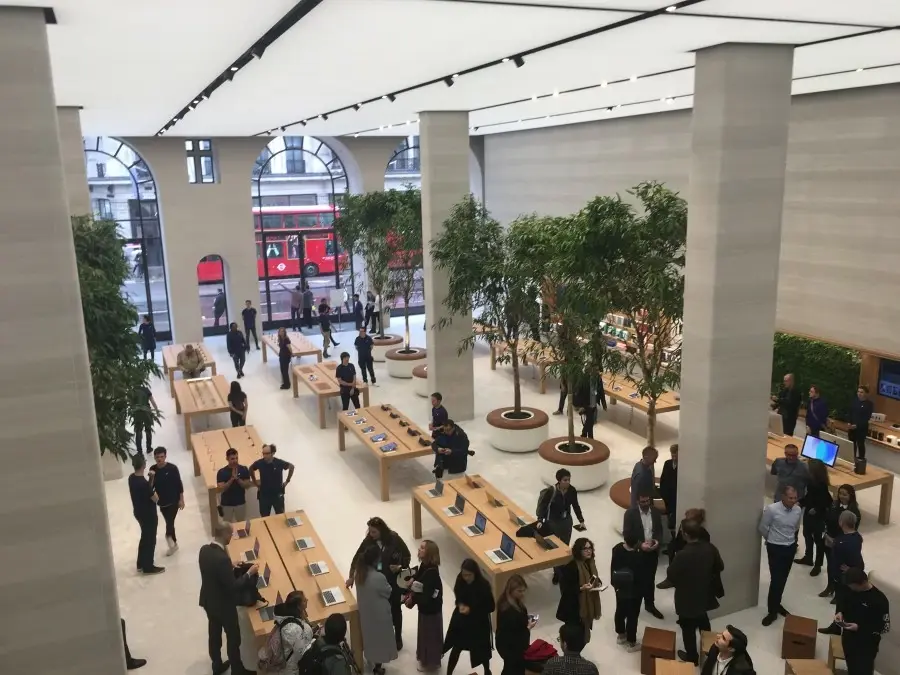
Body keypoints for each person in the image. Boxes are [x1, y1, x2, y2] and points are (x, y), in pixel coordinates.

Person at [199, 521, 259, 675]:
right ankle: (237, 670)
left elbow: (212, 572)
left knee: (214, 635)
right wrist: (249, 573)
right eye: (230, 534)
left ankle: (216, 665)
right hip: (224, 606)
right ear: (225, 534)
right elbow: (233, 586)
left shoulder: (204, 550)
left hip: (208, 601)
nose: (231, 537)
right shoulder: (221, 559)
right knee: (233, 638)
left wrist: (229, 566)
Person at [346, 517, 412, 650]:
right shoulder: (368, 540)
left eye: (374, 532)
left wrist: (400, 566)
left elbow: (407, 556)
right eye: (370, 531)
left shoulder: (394, 538)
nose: (371, 534)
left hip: (392, 580)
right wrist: (351, 577)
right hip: (376, 582)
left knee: (395, 610)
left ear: (381, 530)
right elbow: (357, 558)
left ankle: (397, 637)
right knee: (380, 612)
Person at [665, 520, 724, 664]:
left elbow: (671, 574)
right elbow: (720, 566)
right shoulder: (710, 548)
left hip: (686, 597)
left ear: (685, 534)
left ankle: (692, 657)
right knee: (703, 621)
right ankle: (710, 650)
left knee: (687, 627)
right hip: (705, 594)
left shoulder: (682, 555)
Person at [759, 485, 802, 626]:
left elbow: (795, 528)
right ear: (783, 497)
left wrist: (792, 541)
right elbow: (763, 527)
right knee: (776, 580)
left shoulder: (797, 510)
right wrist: (771, 540)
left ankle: (777, 604)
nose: (793, 501)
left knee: (783, 578)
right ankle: (772, 611)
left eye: (795, 498)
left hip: (789, 547)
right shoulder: (772, 510)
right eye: (790, 498)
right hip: (775, 548)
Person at [444, 559, 495, 675]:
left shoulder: (483, 586)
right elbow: (458, 594)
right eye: (464, 574)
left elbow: (491, 607)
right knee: (456, 648)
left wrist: (471, 609)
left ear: (475, 574)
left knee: (482, 651)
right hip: (462, 622)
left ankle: (487, 671)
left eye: (469, 575)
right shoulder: (460, 579)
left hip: (478, 624)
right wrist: (460, 604)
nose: (466, 577)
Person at [835, 568, 890, 675]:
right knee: (851, 667)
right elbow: (842, 600)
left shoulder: (879, 600)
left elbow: (884, 627)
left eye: (853, 587)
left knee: (863, 671)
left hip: (866, 645)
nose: (850, 589)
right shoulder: (849, 589)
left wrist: (859, 627)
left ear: (863, 583)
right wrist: (839, 612)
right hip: (848, 638)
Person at [354, 546, 398, 674]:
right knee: (380, 641)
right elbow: (388, 591)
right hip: (379, 615)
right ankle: (378, 667)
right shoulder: (378, 577)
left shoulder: (359, 574)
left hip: (366, 613)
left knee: (370, 638)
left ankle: (370, 659)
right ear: (375, 560)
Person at [537, 469, 586, 584]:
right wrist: (540, 520)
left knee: (564, 548)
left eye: (569, 479)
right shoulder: (551, 491)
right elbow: (543, 506)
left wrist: (581, 520)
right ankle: (556, 572)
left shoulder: (572, 490)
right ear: (559, 481)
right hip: (553, 522)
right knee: (555, 548)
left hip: (566, 522)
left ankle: (562, 571)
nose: (568, 482)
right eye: (565, 480)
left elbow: (575, 505)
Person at [623, 491, 664, 619]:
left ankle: (649, 604)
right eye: (643, 502)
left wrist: (657, 541)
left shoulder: (656, 512)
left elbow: (659, 531)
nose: (646, 504)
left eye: (647, 501)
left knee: (650, 580)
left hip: (652, 553)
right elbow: (627, 535)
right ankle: (633, 606)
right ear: (637, 501)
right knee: (636, 580)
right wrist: (640, 545)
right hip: (637, 553)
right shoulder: (630, 514)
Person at [556, 538, 603, 644]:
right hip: (574, 606)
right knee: (575, 634)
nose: (588, 551)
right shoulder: (571, 566)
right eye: (585, 549)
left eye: (590, 548)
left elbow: (593, 577)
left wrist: (598, 582)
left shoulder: (590, 563)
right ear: (578, 551)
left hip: (587, 602)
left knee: (582, 632)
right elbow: (566, 588)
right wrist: (582, 588)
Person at [407, 539, 444, 673]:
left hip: (430, 610)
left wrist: (412, 599)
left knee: (429, 636)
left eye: (422, 548)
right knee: (426, 634)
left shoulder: (432, 573)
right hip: (427, 608)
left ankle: (429, 661)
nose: (419, 549)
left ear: (429, 552)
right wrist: (413, 577)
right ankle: (426, 658)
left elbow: (426, 596)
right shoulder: (425, 565)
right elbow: (419, 573)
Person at [820, 484, 862, 598]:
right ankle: (830, 587)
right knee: (831, 566)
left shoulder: (854, 511)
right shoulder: (834, 505)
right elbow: (827, 520)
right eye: (840, 493)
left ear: (851, 495)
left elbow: (852, 530)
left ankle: (840, 593)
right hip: (830, 540)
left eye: (845, 494)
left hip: (843, 544)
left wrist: (837, 541)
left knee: (841, 569)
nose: (842, 496)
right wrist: (827, 535)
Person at [794, 458, 831, 576]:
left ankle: (818, 565)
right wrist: (801, 502)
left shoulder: (821, 485)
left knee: (818, 541)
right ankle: (808, 557)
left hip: (818, 517)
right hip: (808, 514)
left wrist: (817, 509)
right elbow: (809, 496)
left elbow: (827, 501)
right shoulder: (811, 482)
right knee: (806, 534)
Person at [264, 590, 315, 675]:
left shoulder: (293, 616)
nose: (307, 600)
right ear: (298, 606)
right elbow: (301, 653)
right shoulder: (292, 629)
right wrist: (314, 640)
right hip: (291, 667)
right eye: (304, 600)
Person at [129, 454, 164, 575]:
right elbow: (155, 499)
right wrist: (153, 486)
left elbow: (146, 491)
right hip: (148, 515)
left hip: (138, 512)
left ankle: (140, 563)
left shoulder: (132, 478)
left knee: (144, 537)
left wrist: (150, 480)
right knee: (150, 539)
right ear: (144, 465)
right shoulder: (143, 484)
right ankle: (148, 566)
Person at [611, 532, 644, 653]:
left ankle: (620, 635)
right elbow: (642, 576)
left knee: (620, 610)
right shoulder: (638, 556)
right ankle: (631, 642)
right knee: (632, 616)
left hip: (619, 587)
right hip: (634, 591)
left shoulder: (617, 548)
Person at [149, 447, 184, 556]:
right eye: (157, 457)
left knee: (169, 522)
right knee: (170, 522)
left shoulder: (172, 468)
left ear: (165, 456)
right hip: (162, 502)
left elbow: (179, 484)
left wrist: (181, 499)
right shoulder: (152, 469)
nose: (160, 459)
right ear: (154, 457)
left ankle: (169, 537)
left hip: (173, 500)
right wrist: (151, 478)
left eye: (162, 456)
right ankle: (174, 544)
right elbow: (150, 487)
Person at [495, 575, 534, 675]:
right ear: (511, 591)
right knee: (513, 669)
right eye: (519, 591)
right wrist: (528, 627)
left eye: (523, 591)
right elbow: (514, 633)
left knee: (510, 667)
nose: (522, 594)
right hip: (510, 647)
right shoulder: (508, 611)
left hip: (506, 644)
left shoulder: (507, 601)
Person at [250, 444, 294, 516]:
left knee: (280, 516)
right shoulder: (260, 463)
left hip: (277, 495)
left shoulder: (279, 463)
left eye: (267, 454)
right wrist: (255, 482)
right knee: (264, 516)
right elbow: (251, 469)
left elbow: (291, 467)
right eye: (263, 453)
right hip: (264, 495)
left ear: (273, 453)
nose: (264, 456)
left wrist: (287, 481)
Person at [216, 448, 252, 522]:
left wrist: (238, 479)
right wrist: (232, 479)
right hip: (226, 504)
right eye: (232, 459)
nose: (235, 460)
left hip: (240, 503)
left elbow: (247, 485)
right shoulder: (222, 472)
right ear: (227, 459)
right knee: (227, 526)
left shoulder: (244, 469)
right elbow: (221, 488)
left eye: (236, 458)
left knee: (241, 525)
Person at [849, 385, 875, 461]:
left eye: (861, 392)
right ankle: (851, 459)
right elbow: (850, 412)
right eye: (858, 392)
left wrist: (857, 425)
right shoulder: (854, 401)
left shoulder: (869, 404)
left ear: (866, 394)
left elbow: (866, 418)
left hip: (861, 429)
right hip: (852, 428)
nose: (859, 393)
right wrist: (849, 422)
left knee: (860, 444)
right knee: (851, 444)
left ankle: (861, 460)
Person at [133, 381, 159, 454]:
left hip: (137, 412)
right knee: (148, 430)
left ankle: (139, 450)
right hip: (147, 412)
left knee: (138, 431)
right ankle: (148, 448)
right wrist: (157, 410)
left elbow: (130, 402)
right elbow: (152, 400)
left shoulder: (132, 391)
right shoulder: (146, 389)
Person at [659, 444, 678, 533]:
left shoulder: (684, 466)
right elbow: (663, 479)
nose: (674, 458)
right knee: (668, 512)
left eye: (676, 455)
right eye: (672, 455)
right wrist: (663, 493)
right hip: (667, 496)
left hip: (677, 496)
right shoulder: (667, 463)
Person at [572, 374, 597, 439]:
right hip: (587, 404)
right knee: (590, 420)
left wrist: (603, 403)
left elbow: (600, 391)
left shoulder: (597, 380)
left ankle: (584, 434)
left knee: (590, 421)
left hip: (593, 403)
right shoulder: (583, 381)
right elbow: (578, 395)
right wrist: (581, 406)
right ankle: (589, 436)